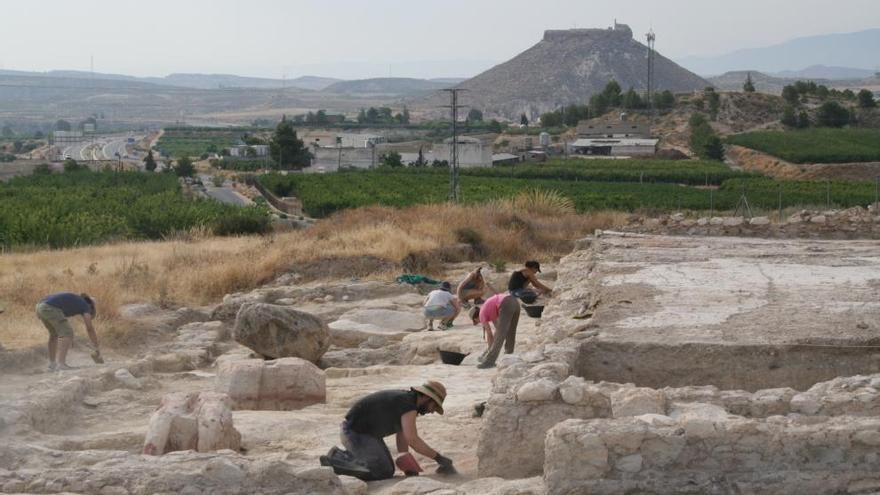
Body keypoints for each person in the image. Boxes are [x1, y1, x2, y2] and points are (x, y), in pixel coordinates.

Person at [322, 381, 455, 481]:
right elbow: (413, 439)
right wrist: (439, 458)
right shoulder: (408, 404)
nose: (432, 411)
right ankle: (336, 459)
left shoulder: (407, 401)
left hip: (364, 434)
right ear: (427, 398)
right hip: (354, 433)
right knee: (381, 472)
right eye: (434, 406)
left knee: (388, 469)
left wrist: (408, 466)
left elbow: (402, 435)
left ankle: (347, 456)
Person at [36, 292, 102, 371]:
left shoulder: (77, 300)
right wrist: (96, 345)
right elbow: (89, 328)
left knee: (54, 335)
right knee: (67, 333)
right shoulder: (85, 305)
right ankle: (61, 364)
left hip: (40, 307)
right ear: (91, 305)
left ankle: (52, 365)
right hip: (50, 308)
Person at [470, 292, 521, 369]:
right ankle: (509, 356)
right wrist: (491, 347)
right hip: (515, 302)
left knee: (500, 334)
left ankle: (489, 361)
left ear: (475, 318)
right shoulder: (488, 308)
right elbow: (498, 327)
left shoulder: (481, 314)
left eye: (476, 321)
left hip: (505, 303)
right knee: (510, 332)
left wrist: (489, 351)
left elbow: (490, 334)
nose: (479, 322)